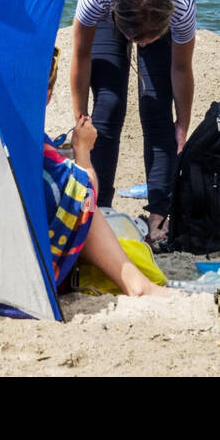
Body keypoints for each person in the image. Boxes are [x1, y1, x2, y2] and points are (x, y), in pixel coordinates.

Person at [67, 0, 197, 247]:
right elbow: (81, 54)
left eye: (150, 39)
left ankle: (159, 214)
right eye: (138, 40)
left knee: (157, 108)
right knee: (108, 104)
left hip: (157, 5)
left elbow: (181, 68)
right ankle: (99, 206)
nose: (144, 46)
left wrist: (184, 122)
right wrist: (79, 116)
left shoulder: (181, 3)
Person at [44, 48, 167, 297]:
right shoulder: (30, 143)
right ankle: (137, 285)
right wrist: (83, 152)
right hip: (29, 265)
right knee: (84, 199)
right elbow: (86, 195)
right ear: (46, 94)